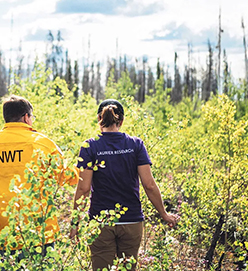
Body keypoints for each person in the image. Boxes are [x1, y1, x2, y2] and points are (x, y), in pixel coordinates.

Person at [0, 95, 78, 266]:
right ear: (26, 117)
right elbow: (66, 178)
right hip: (38, 232)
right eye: (32, 117)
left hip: (1, 232)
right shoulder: (42, 143)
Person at [70, 99, 179, 271]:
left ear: (99, 119)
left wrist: (75, 223)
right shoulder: (135, 144)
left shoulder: (90, 146)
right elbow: (149, 185)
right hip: (132, 221)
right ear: (121, 121)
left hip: (101, 222)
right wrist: (164, 214)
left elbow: (84, 189)